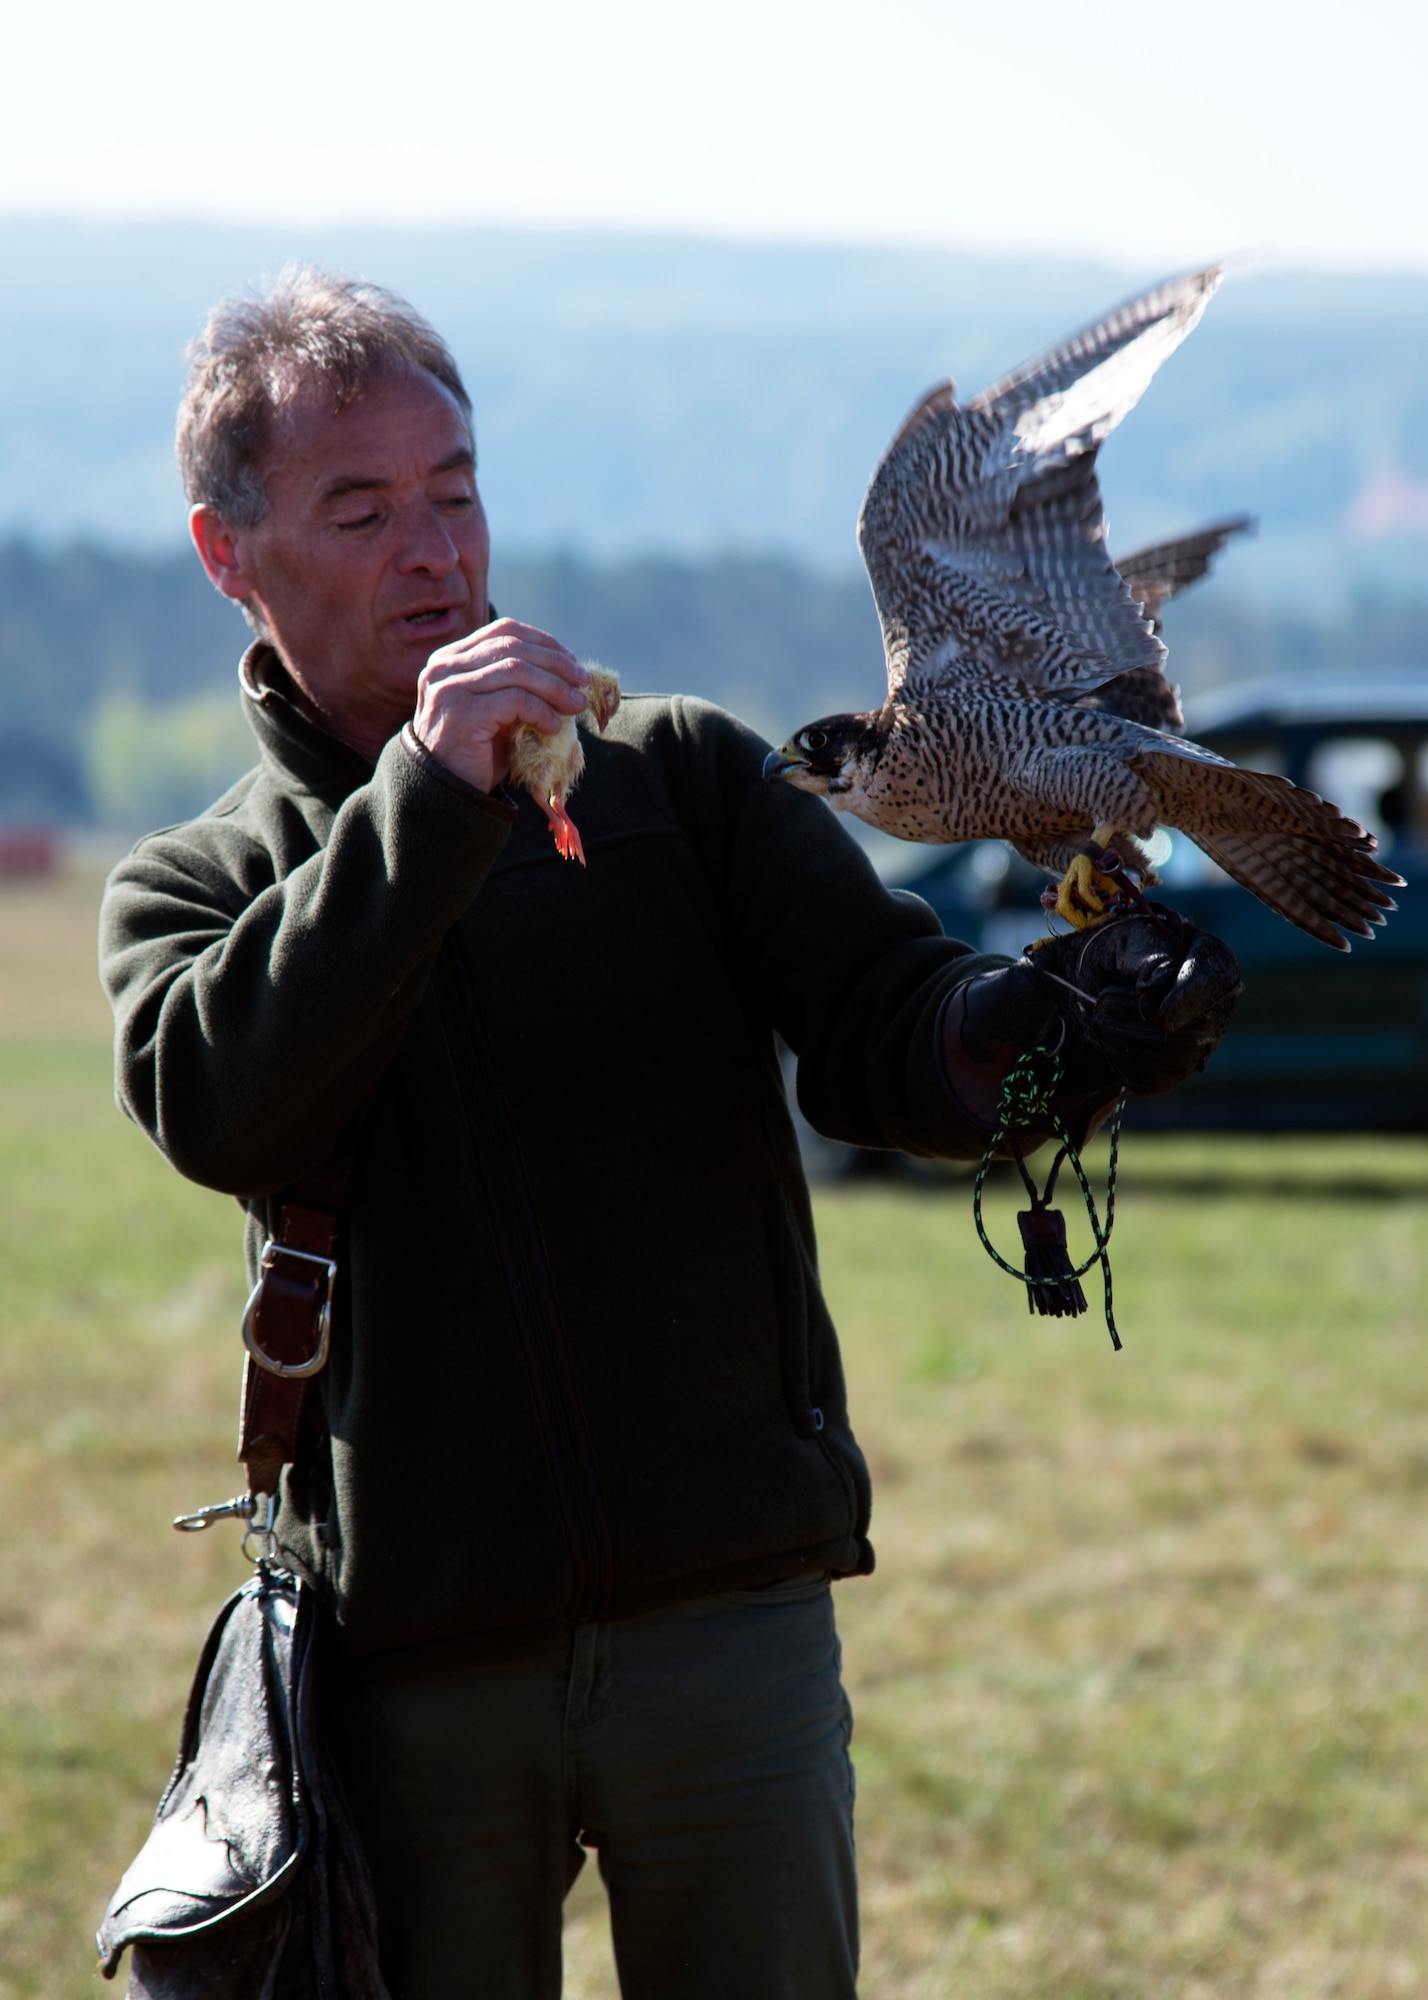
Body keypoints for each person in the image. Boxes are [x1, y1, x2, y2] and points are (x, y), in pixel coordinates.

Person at [98, 267, 1236, 2000]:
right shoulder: (200, 884)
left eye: (456, 491)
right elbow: (226, 1097)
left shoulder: (684, 777)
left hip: (732, 1622)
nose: (436, 550)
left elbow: (886, 1033)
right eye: (363, 508)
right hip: (419, 1661)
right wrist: (432, 797)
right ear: (228, 553)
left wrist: (1042, 1039)